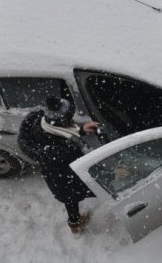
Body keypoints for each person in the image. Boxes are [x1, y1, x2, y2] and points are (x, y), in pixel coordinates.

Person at [17, 97, 99, 235]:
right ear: (62, 121)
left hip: (58, 178)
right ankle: (75, 225)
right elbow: (84, 161)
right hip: (66, 180)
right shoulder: (62, 150)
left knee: (70, 202)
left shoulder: (39, 122)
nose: (72, 120)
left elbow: (62, 132)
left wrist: (81, 130)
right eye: (69, 118)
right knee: (85, 194)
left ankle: (75, 224)